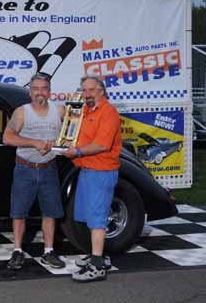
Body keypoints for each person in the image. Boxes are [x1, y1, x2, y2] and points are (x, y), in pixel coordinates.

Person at [3, 72, 66, 270]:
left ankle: (48, 251)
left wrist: (67, 144)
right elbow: (7, 138)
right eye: (36, 89)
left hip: (49, 168)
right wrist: (34, 142)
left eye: (44, 88)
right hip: (25, 168)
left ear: (49, 91)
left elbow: (72, 134)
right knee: (19, 212)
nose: (40, 92)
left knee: (50, 212)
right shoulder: (22, 112)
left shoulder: (61, 111)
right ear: (31, 92)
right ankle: (17, 250)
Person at [63, 74, 122, 283]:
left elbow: (102, 145)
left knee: (97, 218)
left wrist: (76, 152)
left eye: (91, 90)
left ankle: (97, 266)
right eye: (84, 90)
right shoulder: (87, 111)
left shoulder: (109, 113)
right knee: (89, 216)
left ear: (102, 91)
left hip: (101, 172)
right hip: (87, 171)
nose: (86, 94)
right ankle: (98, 255)